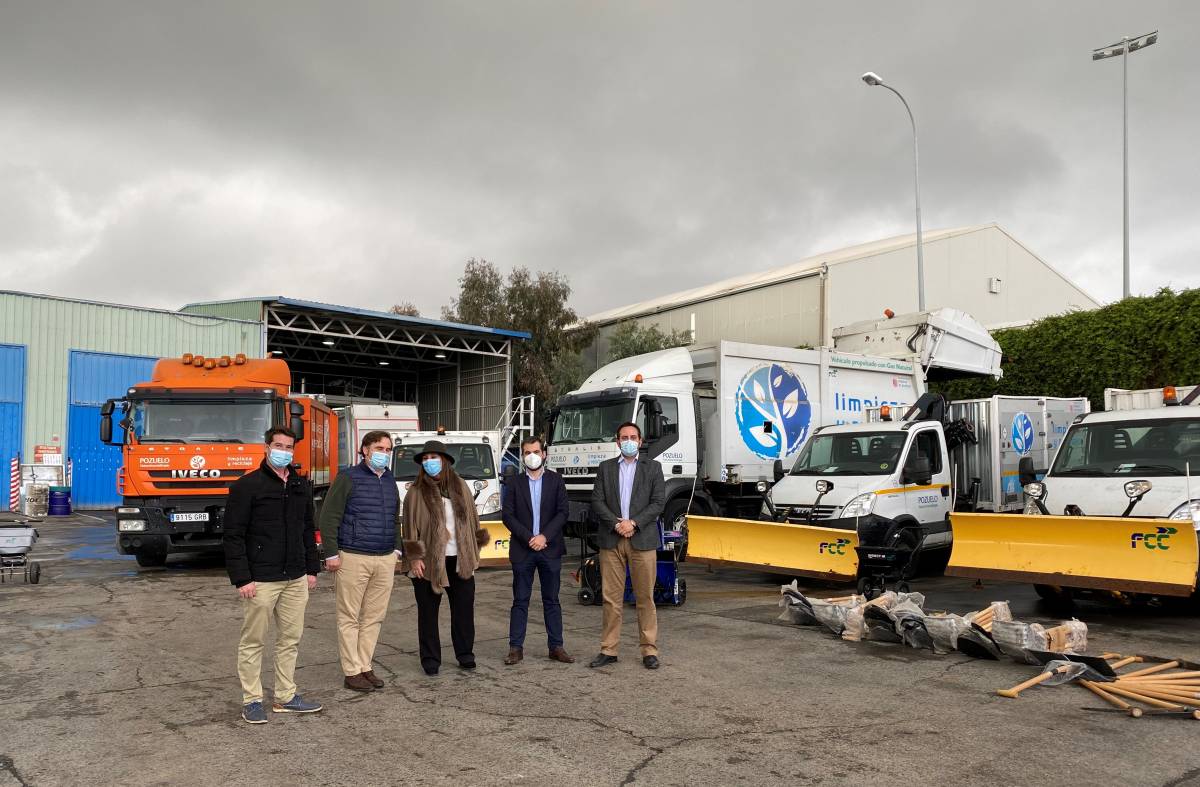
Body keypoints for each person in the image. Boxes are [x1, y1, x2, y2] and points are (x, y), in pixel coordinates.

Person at [224, 426, 323, 723]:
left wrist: (311, 569)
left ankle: (285, 696)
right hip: (261, 579)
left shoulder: (299, 485)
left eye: (289, 446)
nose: (284, 450)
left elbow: (308, 528)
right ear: (267, 447)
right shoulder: (247, 486)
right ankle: (252, 700)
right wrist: (242, 578)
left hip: (295, 578)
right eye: (278, 445)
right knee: (253, 641)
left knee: (290, 639)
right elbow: (233, 536)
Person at [318, 430, 402, 693]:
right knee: (349, 617)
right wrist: (330, 553)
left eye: (388, 450)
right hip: (353, 556)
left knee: (374, 617)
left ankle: (365, 665)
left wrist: (397, 550)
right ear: (365, 450)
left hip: (384, 558)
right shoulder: (348, 478)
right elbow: (329, 516)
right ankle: (351, 670)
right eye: (379, 448)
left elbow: (395, 517)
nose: (384, 454)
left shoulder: (389, 480)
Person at [400, 439, 491, 675]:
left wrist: (473, 554)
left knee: (463, 610)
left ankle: (465, 654)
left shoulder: (461, 487)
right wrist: (414, 558)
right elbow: (409, 527)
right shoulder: (416, 492)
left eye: (434, 458)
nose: (430, 462)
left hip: (459, 560)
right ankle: (430, 659)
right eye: (425, 459)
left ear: (445, 461)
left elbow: (473, 521)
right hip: (429, 562)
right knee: (428, 614)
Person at [588, 422, 666, 670]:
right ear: (617, 441)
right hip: (612, 541)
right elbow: (597, 501)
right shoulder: (605, 468)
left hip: (642, 540)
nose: (629, 440)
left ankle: (649, 650)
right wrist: (616, 524)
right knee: (611, 599)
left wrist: (633, 523)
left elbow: (658, 502)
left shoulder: (653, 468)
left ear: (640, 442)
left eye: (633, 437)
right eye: (624, 437)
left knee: (645, 598)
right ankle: (609, 650)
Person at [502, 435, 573, 665]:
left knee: (551, 599)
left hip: (549, 549)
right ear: (522, 457)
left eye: (535, 452)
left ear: (544, 454)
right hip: (523, 550)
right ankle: (515, 648)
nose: (531, 456)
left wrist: (544, 537)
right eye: (526, 453)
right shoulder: (514, 483)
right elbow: (508, 515)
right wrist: (530, 538)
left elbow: (563, 512)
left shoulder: (556, 481)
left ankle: (556, 646)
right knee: (520, 599)